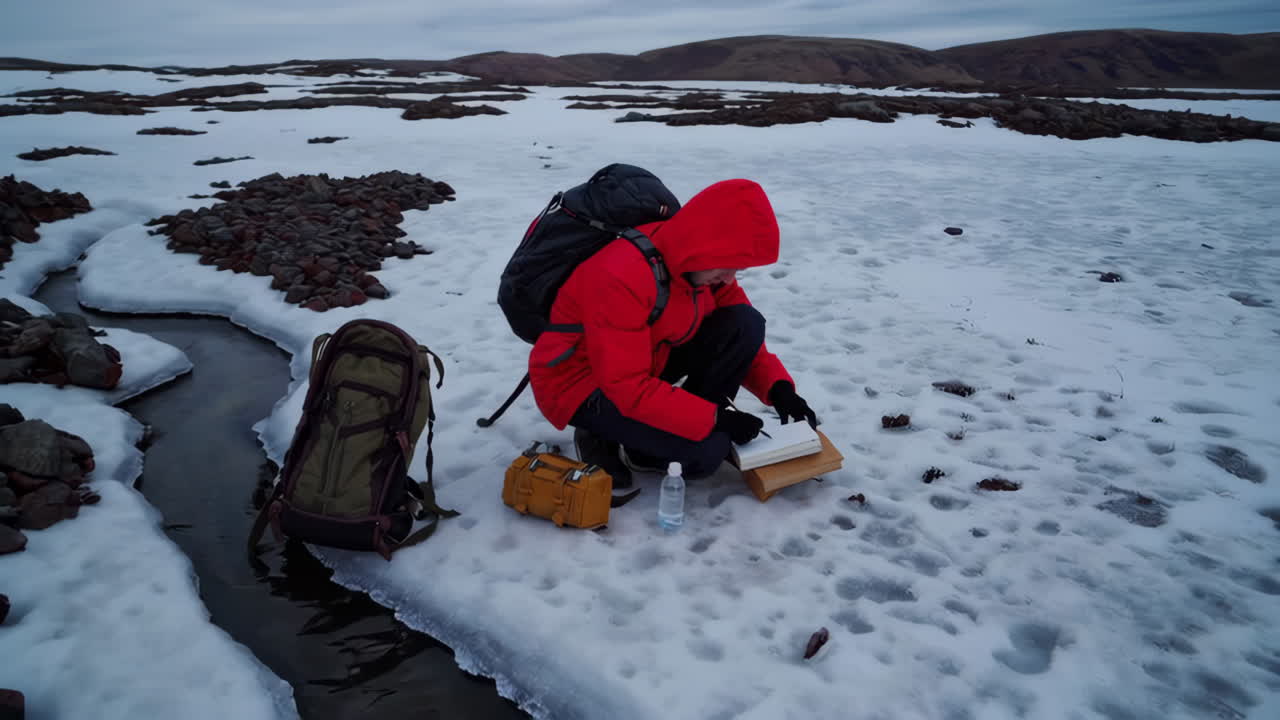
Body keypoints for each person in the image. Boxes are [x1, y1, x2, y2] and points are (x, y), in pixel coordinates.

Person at [528, 178, 818, 486]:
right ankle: (605, 432)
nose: (730, 277)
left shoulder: (705, 269)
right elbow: (625, 384)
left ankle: (659, 437)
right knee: (706, 453)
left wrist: (781, 392)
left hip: (647, 359)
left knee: (745, 321)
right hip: (584, 382)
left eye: (738, 268)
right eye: (727, 265)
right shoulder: (620, 276)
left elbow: (744, 338)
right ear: (703, 245)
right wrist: (715, 419)